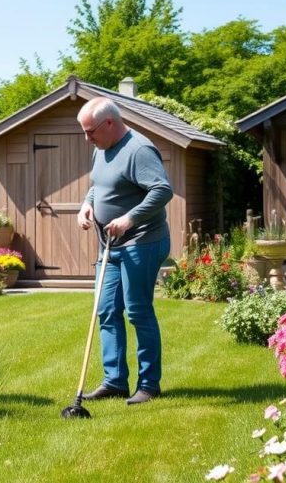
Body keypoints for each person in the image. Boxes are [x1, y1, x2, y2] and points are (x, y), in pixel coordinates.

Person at [76, 97, 172, 405]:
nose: (86, 138)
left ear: (109, 124)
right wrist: (87, 205)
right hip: (110, 246)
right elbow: (99, 185)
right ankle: (115, 381)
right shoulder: (101, 148)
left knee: (138, 310)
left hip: (142, 241)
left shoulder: (139, 150)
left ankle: (149, 385)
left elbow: (162, 190)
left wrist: (129, 218)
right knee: (105, 309)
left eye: (90, 131)